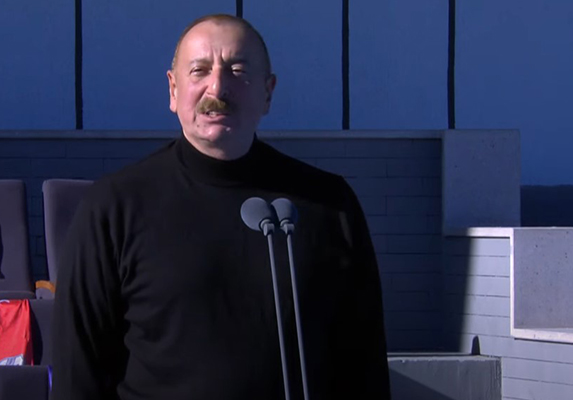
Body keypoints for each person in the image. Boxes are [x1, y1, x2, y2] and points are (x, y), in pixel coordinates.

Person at [52, 14, 391, 400]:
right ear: (173, 89)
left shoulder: (327, 204)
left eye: (238, 71)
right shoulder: (114, 207)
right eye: (199, 71)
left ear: (268, 92)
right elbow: (78, 372)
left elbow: (363, 363)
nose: (217, 87)